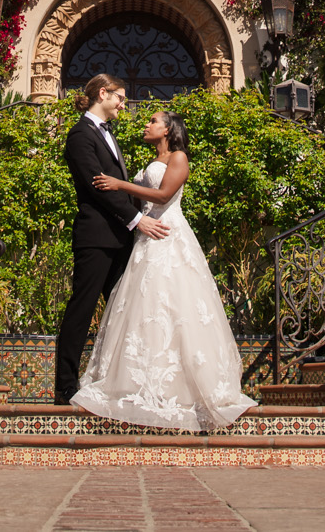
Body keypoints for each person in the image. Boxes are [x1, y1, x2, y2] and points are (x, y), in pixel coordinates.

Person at [68, 107, 257, 431]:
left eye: (153, 120)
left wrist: (120, 185)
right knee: (145, 310)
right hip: (146, 238)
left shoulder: (178, 158)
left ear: (168, 129)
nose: (147, 123)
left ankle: (187, 389)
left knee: (175, 306)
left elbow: (164, 194)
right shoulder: (151, 160)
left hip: (168, 234)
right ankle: (142, 384)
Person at [54, 72, 170, 406]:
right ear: (103, 93)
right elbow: (96, 186)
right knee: (82, 308)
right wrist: (139, 221)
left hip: (121, 239)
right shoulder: (80, 135)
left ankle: (127, 384)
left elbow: (117, 185)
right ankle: (65, 386)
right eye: (120, 97)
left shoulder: (107, 134)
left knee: (127, 311)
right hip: (96, 238)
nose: (123, 104)